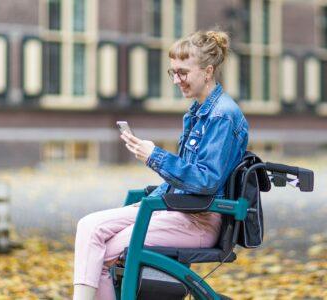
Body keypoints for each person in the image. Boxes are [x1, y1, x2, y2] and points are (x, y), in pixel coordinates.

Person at [73, 29, 249, 300]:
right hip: (178, 211)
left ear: (208, 71)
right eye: (172, 73)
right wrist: (148, 199)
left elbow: (206, 180)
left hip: (199, 220)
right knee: (89, 226)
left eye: (183, 72)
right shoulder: (196, 113)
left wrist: (154, 156)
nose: (177, 80)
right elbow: (181, 177)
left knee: (105, 253)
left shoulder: (222, 116)